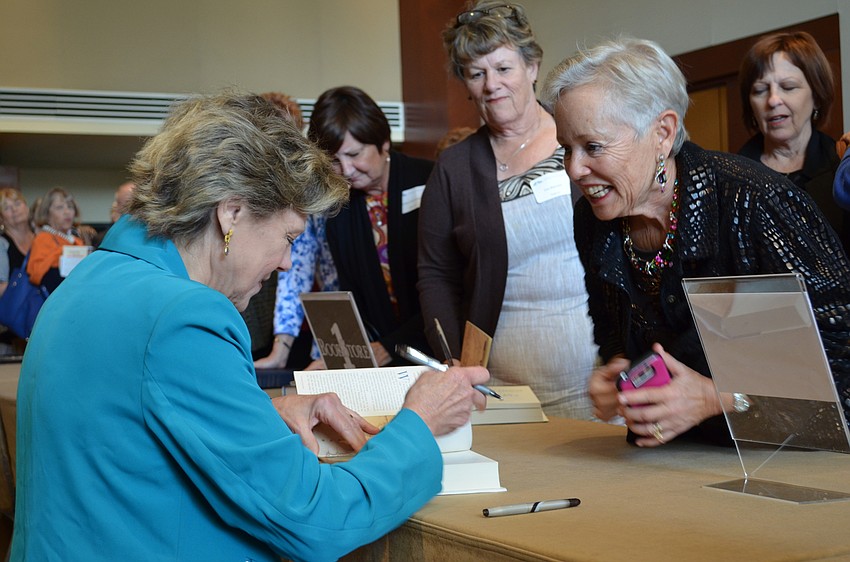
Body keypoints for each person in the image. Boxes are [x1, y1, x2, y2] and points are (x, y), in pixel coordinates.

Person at [12, 91, 490, 561]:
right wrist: (420, 424)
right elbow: (315, 519)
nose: (285, 263)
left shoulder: (93, 280)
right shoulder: (184, 316)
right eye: (286, 237)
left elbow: (133, 421)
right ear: (232, 212)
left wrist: (264, 409)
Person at [542, 36, 850, 447]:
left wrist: (715, 397)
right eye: (567, 149)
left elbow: (839, 363)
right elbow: (612, 329)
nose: (575, 169)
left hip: (789, 463)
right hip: (676, 461)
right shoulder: (596, 219)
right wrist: (619, 371)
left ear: (662, 133)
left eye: (593, 146)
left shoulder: (755, 201)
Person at [418, 1, 597, 419]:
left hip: (598, 381)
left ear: (532, 66)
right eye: (476, 74)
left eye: (503, 68)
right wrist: (449, 356)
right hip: (500, 390)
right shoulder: (455, 168)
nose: (491, 84)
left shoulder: (582, 138)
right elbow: (436, 273)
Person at [255, 86, 434, 369]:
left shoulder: (429, 179)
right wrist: (284, 348)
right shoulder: (334, 202)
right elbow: (297, 273)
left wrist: (389, 347)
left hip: (431, 344)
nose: (348, 170)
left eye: (355, 154)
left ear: (383, 142)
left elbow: (447, 283)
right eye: (335, 161)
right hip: (368, 347)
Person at [737, 31, 850, 253]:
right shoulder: (729, 179)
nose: (773, 100)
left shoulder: (842, 172)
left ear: (816, 95)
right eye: (760, 90)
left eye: (788, 87)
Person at [26, 187, 86, 293]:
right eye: (59, 207)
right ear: (47, 214)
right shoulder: (43, 239)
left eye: (70, 207)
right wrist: (60, 253)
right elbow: (36, 275)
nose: (67, 212)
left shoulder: (77, 242)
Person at [0, 188, 34, 298]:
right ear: (1, 218)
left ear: (27, 208)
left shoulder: (42, 238)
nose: (14, 209)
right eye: (7, 208)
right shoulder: (2, 243)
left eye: (17, 203)